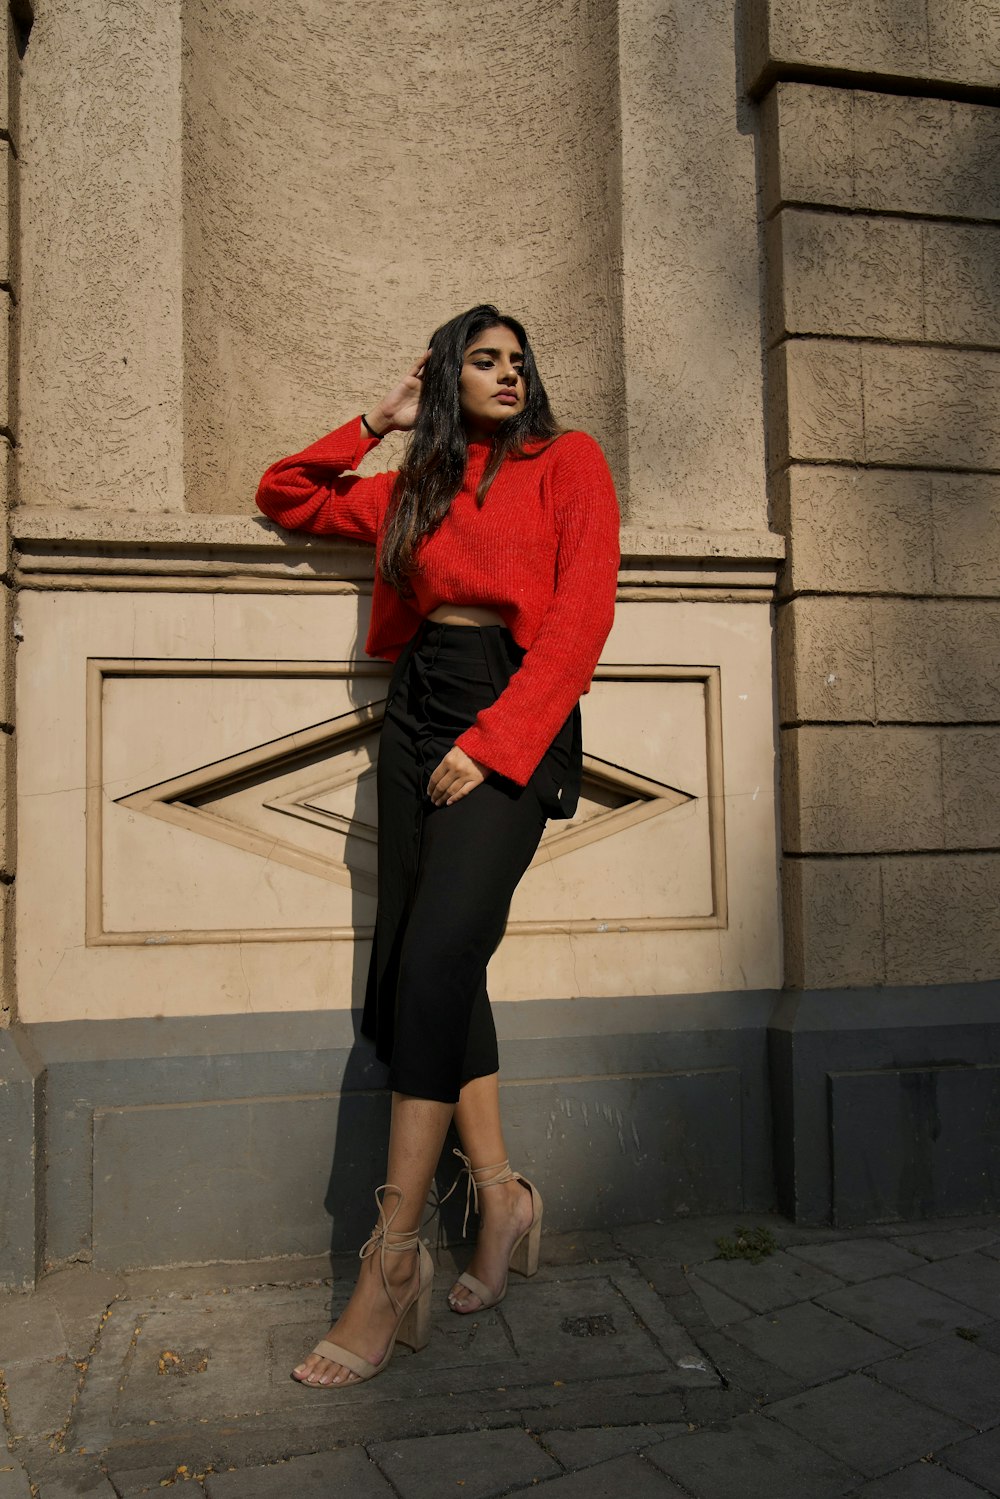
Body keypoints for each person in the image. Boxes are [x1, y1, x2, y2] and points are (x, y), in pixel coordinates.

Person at [255, 304, 620, 1388]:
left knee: (430, 960)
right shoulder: (415, 489)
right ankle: (501, 1193)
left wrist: (499, 744)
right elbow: (287, 491)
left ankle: (390, 1259)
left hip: (509, 714)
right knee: (436, 960)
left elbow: (583, 615)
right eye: (483, 358)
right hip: (415, 714)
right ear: (445, 373)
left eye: (519, 360)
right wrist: (382, 415)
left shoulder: (569, 462)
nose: (508, 374)